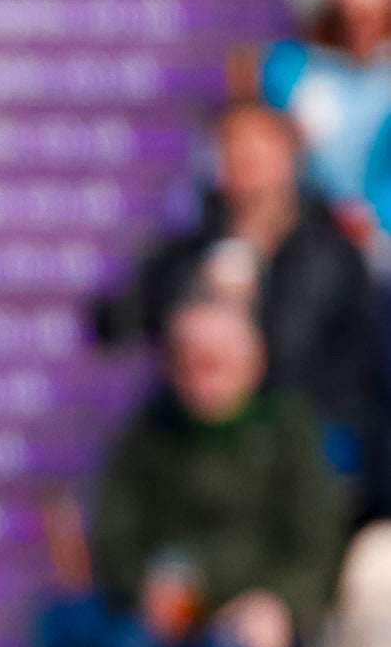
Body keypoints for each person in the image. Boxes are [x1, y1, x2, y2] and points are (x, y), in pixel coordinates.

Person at [41, 297, 348, 647]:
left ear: (252, 362)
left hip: (251, 610)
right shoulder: (149, 431)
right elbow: (114, 532)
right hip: (158, 615)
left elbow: (316, 543)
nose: (201, 372)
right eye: (189, 359)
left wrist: (280, 604)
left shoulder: (288, 431)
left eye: (216, 360)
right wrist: (143, 588)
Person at [103, 99, 387, 497]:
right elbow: (113, 322)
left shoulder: (331, 252)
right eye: (230, 147)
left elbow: (297, 356)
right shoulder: (191, 249)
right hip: (200, 456)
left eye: (257, 148)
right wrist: (194, 288)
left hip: (306, 459)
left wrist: (250, 278)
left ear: (290, 159)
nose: (242, 160)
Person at [259, 0, 391, 238]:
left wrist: (374, 217)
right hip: (307, 232)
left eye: (369, 15)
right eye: (348, 13)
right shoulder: (291, 71)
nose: (357, 27)